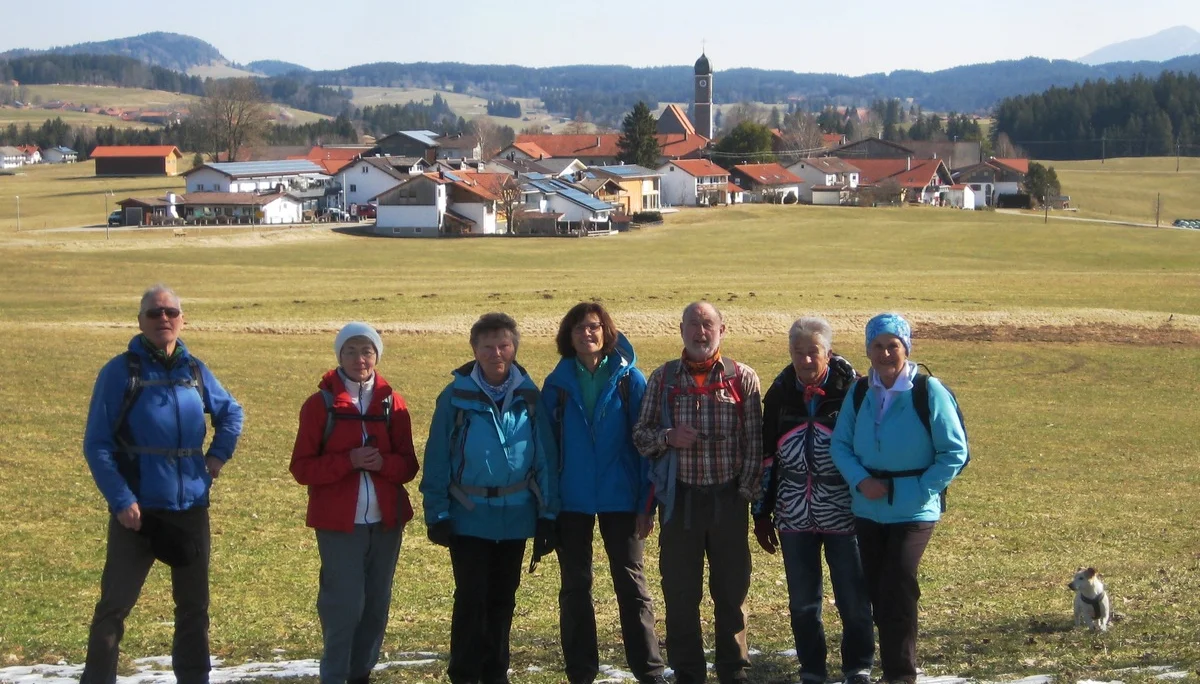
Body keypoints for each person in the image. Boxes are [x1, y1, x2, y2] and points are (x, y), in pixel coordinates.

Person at [81, 284, 244, 684]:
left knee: (194, 607)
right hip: (138, 513)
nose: (163, 319)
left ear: (182, 320)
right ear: (140, 322)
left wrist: (217, 457)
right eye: (154, 313)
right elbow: (97, 444)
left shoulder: (195, 370)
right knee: (114, 606)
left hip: (190, 509)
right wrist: (121, 499)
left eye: (171, 312)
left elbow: (231, 413)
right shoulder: (120, 372)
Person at [420, 312, 560, 684]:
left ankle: (496, 674)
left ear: (514, 348)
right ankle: (465, 674)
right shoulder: (454, 397)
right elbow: (437, 457)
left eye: (503, 345)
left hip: (516, 515)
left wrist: (548, 514)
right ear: (474, 349)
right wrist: (436, 512)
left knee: (503, 599)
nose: (496, 353)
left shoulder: (529, 397)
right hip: (468, 515)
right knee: (471, 598)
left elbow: (545, 459)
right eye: (487, 346)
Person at [830, 313, 968, 684]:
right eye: (877, 345)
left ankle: (900, 675)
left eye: (893, 345)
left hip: (914, 511)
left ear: (906, 348)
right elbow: (840, 444)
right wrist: (861, 481)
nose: (885, 353)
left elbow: (954, 452)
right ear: (867, 350)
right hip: (867, 508)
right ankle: (893, 665)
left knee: (897, 585)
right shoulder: (860, 392)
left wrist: (917, 490)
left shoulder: (928, 391)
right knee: (879, 591)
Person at [632, 301, 763, 684]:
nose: (700, 332)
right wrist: (668, 437)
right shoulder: (663, 379)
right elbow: (640, 436)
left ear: (722, 330)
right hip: (681, 502)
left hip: (728, 501)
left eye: (708, 325)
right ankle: (688, 672)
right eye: (693, 324)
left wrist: (743, 494)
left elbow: (755, 445)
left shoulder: (743, 378)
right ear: (681, 330)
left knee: (732, 593)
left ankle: (733, 671)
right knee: (680, 594)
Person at [542, 302, 667, 684]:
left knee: (632, 585)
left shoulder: (631, 380)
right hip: (572, 500)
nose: (588, 333)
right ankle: (581, 673)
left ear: (606, 331)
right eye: (579, 328)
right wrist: (549, 504)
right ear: (568, 335)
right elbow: (547, 449)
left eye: (594, 326)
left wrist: (646, 503)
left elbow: (646, 445)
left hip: (621, 497)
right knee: (575, 587)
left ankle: (650, 671)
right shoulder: (557, 384)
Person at [289, 322, 420, 684]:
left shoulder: (393, 403)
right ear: (339, 356)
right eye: (351, 351)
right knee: (343, 606)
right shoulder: (319, 405)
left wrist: (382, 464)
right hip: (338, 525)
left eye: (367, 351)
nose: (359, 359)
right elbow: (302, 468)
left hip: (386, 523)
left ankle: (361, 674)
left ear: (377, 355)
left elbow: (408, 466)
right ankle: (334, 675)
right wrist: (348, 461)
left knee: (376, 606)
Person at [753, 317, 874, 684]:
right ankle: (812, 669)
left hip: (844, 510)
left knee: (853, 598)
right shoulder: (779, 393)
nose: (805, 360)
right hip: (793, 512)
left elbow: (868, 450)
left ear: (828, 352)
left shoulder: (853, 391)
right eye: (798, 352)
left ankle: (858, 666)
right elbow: (767, 457)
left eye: (813, 352)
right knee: (803, 602)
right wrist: (761, 513)